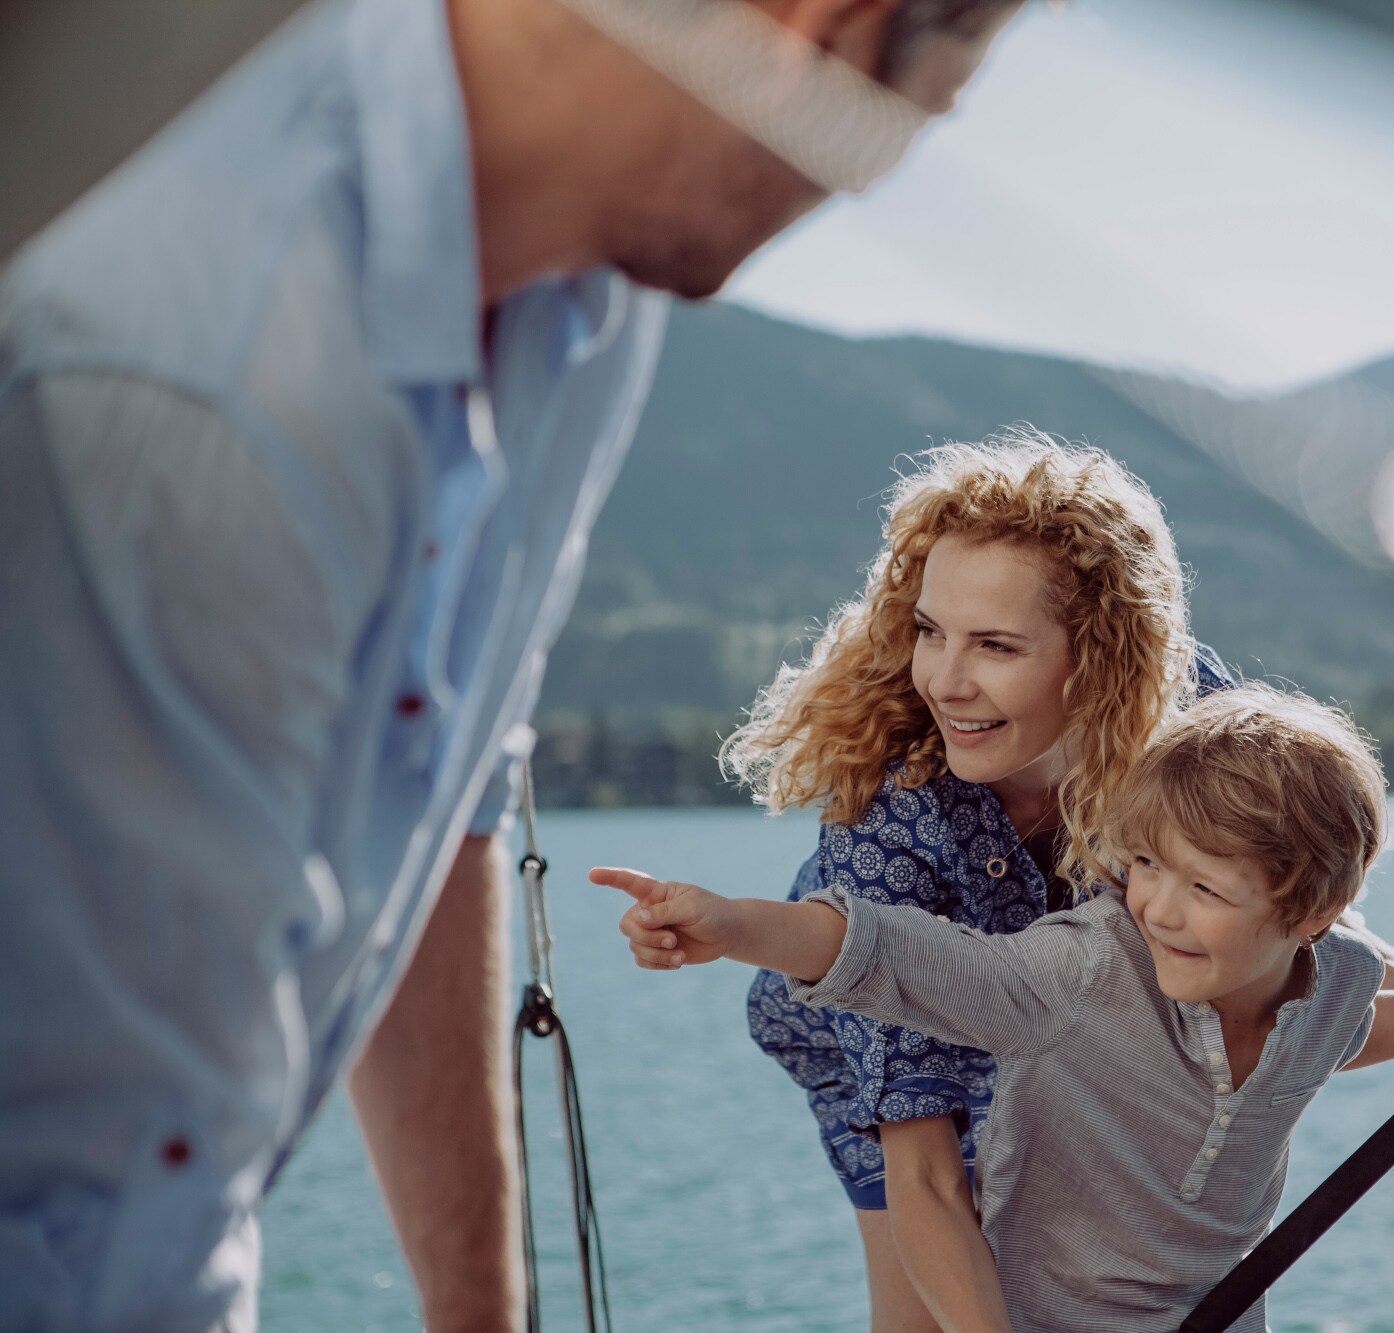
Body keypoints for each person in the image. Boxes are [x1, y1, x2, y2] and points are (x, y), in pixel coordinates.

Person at [0, 0, 1020, 1327]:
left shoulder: (589, 292)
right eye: (906, 126)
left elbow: (433, 788)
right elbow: (92, 1189)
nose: (866, 184)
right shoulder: (197, 375)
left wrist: (480, 1312)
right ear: (821, 31)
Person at [701, 432, 1394, 1331]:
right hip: (883, 1022)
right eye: (930, 631)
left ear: (1104, 653)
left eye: (997, 645)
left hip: (1079, 1013)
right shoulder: (889, 821)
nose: (947, 681)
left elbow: (1277, 907)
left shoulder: (1187, 712)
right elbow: (922, 1167)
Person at [595, 683, 1394, 1331]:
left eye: (1204, 889)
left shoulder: (1329, 987)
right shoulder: (1076, 972)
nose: (1155, 902)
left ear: (1311, 914)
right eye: (1145, 863)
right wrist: (733, 923)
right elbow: (897, 954)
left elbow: (1382, 1021)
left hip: (1220, 1313)